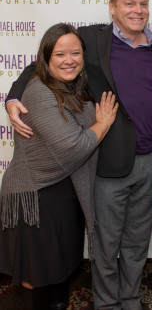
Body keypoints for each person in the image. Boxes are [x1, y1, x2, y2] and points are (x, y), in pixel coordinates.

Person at [5, 0, 152, 309]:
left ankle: (131, 299)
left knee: (137, 244)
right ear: (112, 7)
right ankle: (107, 304)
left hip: (149, 162)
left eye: (143, 3)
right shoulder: (91, 39)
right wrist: (12, 96)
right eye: (129, 3)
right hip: (105, 162)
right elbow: (41, 64)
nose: (138, 10)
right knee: (105, 245)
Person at [0, 23, 118, 310]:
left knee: (60, 275)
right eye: (60, 54)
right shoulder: (40, 91)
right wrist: (103, 122)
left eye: (75, 53)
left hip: (65, 193)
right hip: (37, 197)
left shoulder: (71, 86)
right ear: (46, 59)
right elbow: (74, 147)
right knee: (40, 279)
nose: (69, 60)